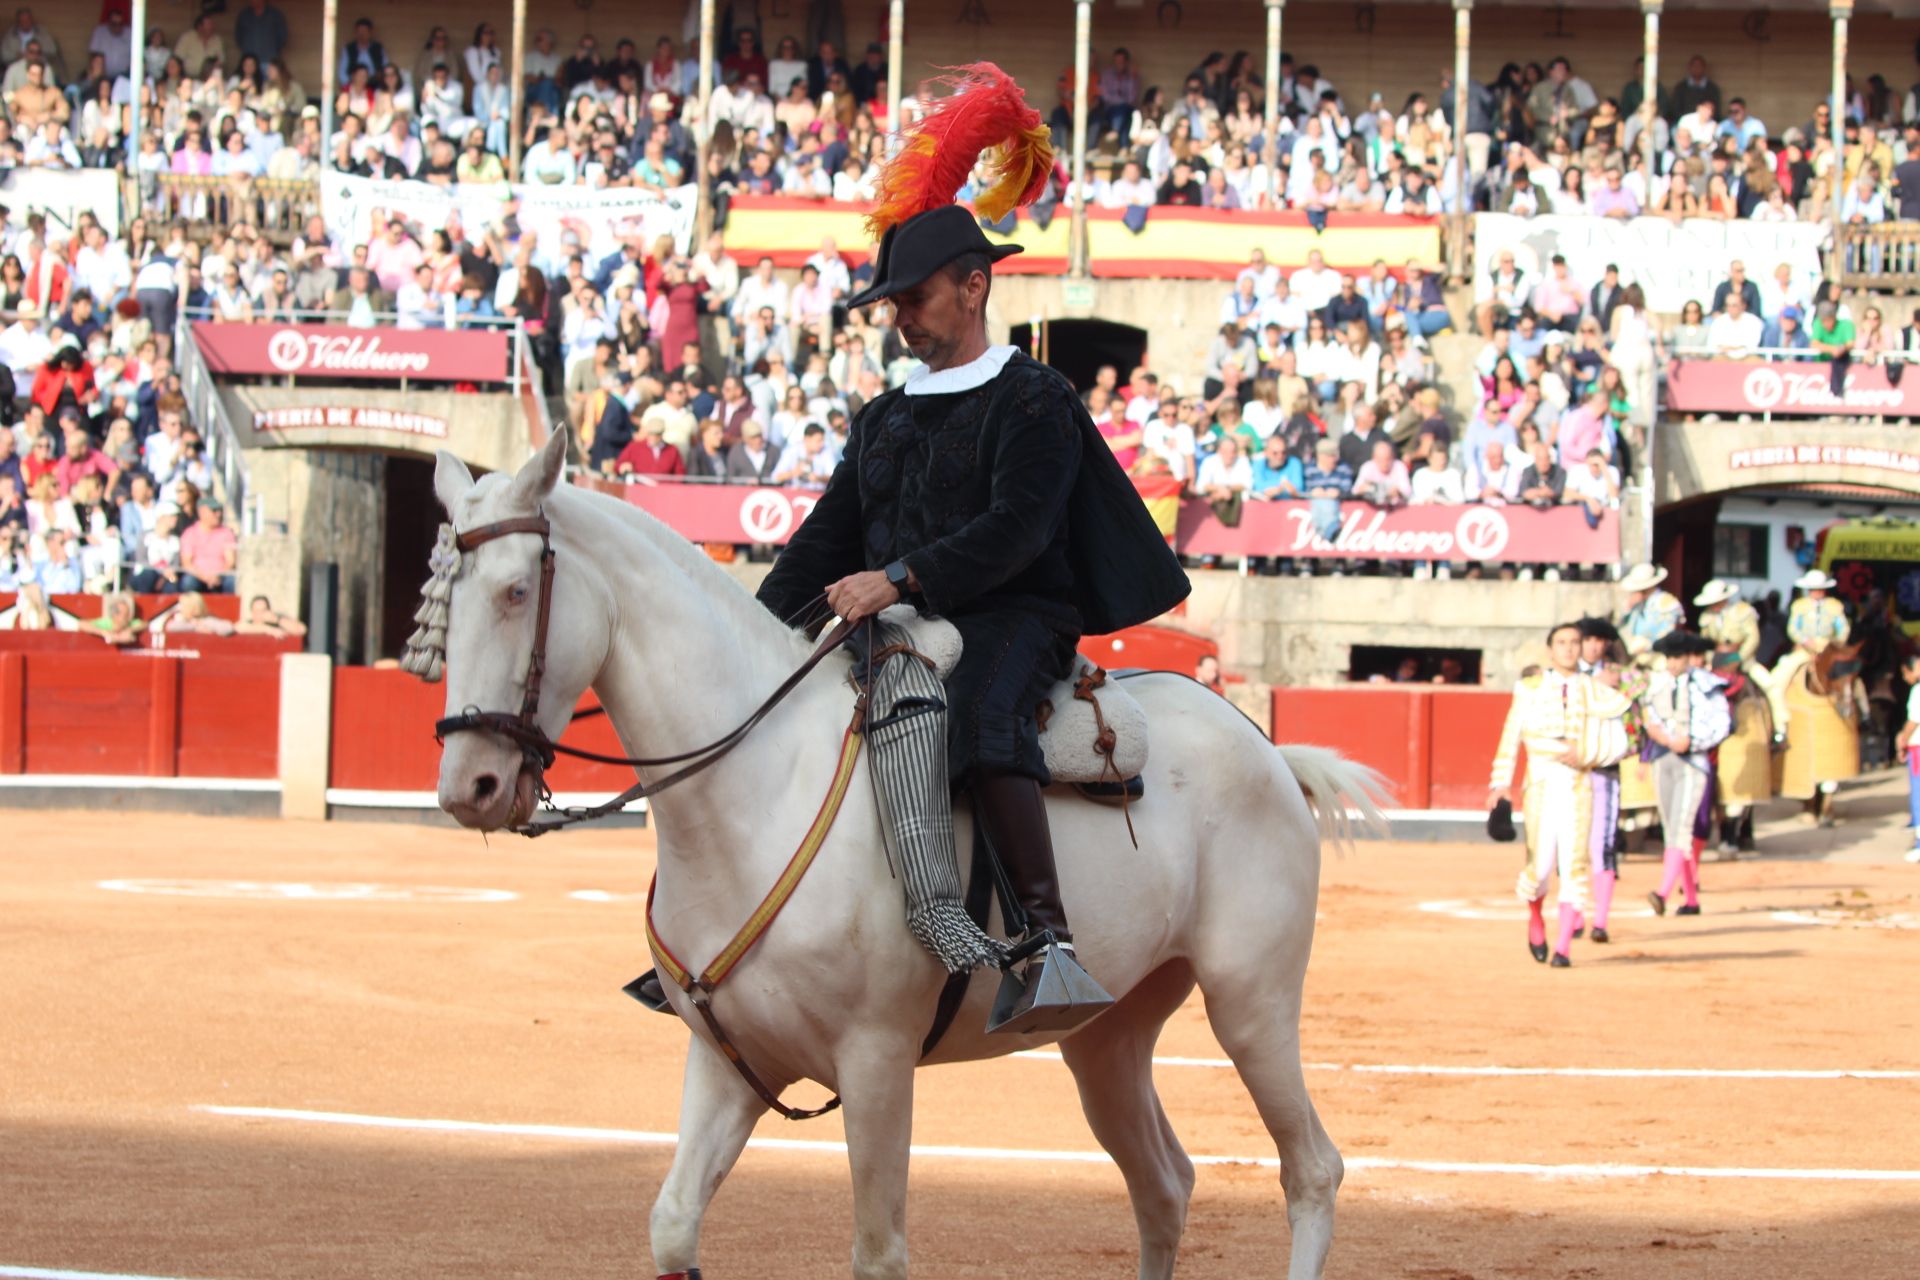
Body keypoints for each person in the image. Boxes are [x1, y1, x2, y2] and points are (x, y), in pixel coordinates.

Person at [648, 67, 1189, 1035]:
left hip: (1015, 612)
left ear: (974, 286)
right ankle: (716, 929)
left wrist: (897, 576)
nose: (899, 312)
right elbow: (824, 539)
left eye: (916, 295)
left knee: (982, 711)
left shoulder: (1036, 398)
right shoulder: (886, 414)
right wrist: (747, 632)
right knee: (766, 716)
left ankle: (1046, 942)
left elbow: (1019, 532)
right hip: (895, 616)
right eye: (893, 297)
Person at [1489, 621, 1632, 967]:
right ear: (1550, 650)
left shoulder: (1595, 691)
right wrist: (1499, 783)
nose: (1569, 648)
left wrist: (1586, 754)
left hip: (1578, 786)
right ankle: (1536, 919)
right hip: (1540, 784)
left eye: (1574, 642)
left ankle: (1564, 947)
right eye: (1562, 642)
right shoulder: (1529, 688)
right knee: (1539, 869)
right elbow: (1511, 737)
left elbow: (1620, 743)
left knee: (1574, 866)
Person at [1643, 631, 1732, 917]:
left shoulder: (1707, 684)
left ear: (1689, 657)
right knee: (1673, 829)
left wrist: (1692, 742)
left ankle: (1663, 892)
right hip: (1664, 758)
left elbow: (1721, 723)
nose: (1672, 663)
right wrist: (1662, 736)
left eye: (1677, 657)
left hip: (1693, 761)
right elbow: (1650, 715)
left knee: (1680, 830)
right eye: (1668, 657)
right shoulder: (1658, 683)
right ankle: (1691, 899)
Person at [1618, 562, 1682, 659]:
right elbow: (1621, 625)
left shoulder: (1666, 602)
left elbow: (1669, 632)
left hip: (1658, 654)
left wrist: (1648, 647)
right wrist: (1628, 607)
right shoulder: (1636, 602)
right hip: (1635, 652)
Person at [1899, 652, 1920, 863]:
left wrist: (1902, 739)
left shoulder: (1917, 690)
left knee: (1919, 795)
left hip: (1918, 747)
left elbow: (1914, 720)